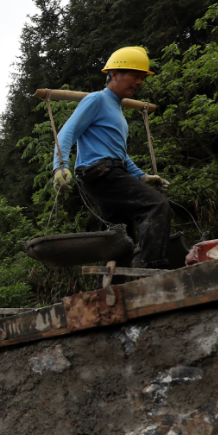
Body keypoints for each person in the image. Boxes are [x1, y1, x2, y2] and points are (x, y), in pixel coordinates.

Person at [52, 46, 172, 268]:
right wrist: (60, 166)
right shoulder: (96, 100)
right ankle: (154, 268)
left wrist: (142, 176)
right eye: (135, 76)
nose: (139, 82)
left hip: (108, 172)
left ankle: (112, 287)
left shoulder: (115, 108)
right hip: (103, 173)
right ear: (114, 74)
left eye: (142, 78)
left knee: (122, 236)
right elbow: (67, 132)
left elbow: (118, 152)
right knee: (156, 206)